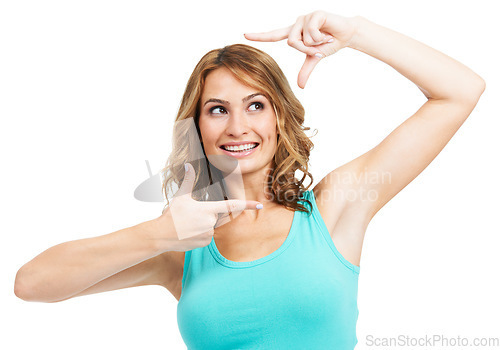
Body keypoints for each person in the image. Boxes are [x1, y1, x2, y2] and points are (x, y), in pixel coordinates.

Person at [14, 10, 485, 350]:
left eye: (256, 105)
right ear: (196, 126)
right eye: (217, 109)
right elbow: (31, 284)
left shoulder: (334, 209)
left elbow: (459, 92)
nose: (238, 126)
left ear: (280, 117)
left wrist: (356, 32)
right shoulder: (183, 245)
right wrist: (158, 233)